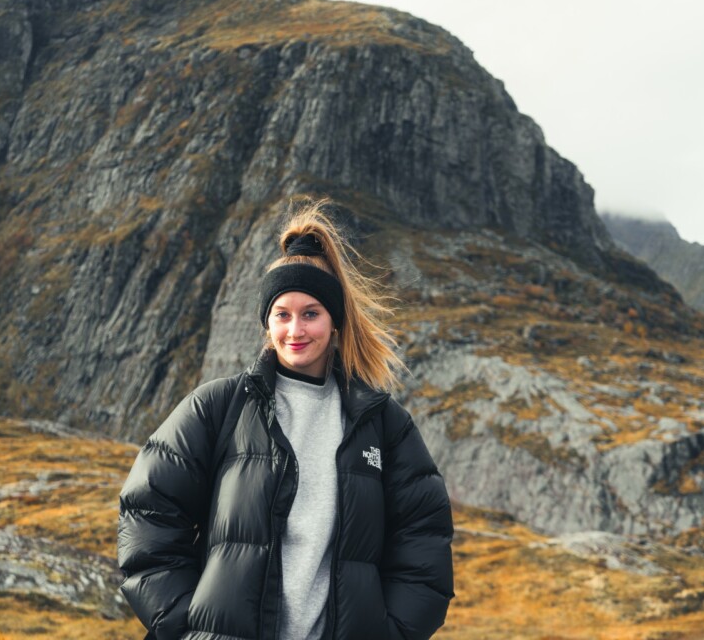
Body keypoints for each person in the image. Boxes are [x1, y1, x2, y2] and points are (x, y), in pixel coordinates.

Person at [117, 199, 454, 640]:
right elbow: (148, 512)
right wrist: (189, 626)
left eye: (310, 314)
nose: (295, 330)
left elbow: (424, 546)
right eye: (282, 314)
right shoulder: (219, 406)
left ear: (335, 323)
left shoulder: (383, 424)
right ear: (267, 321)